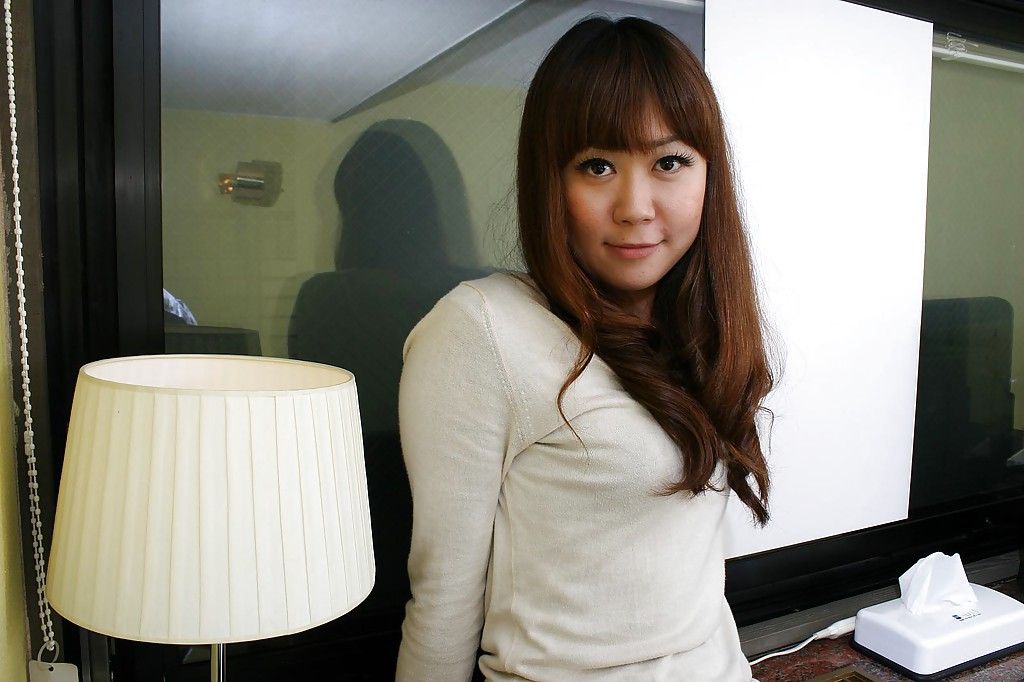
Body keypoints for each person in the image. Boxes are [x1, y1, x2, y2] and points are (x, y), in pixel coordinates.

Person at [395, 15, 774, 681]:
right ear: (551, 181)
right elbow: (444, 601)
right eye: (597, 165)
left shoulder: (700, 327)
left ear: (708, 175)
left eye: (669, 162)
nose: (635, 206)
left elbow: (691, 588)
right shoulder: (480, 330)